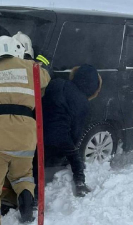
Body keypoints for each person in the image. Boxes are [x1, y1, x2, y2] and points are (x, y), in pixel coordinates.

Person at [0, 35, 50, 224]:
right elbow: (45, 81)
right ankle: (26, 196)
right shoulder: (32, 69)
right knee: (22, 173)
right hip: (24, 132)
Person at [41, 64, 102, 197]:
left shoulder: (56, 83)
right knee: (75, 158)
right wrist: (70, 149)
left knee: (36, 160)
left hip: (39, 129)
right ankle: (80, 183)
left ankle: (32, 198)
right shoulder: (83, 103)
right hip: (61, 137)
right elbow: (76, 132)